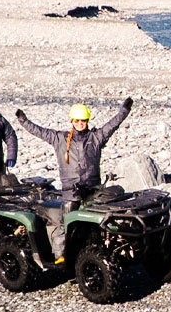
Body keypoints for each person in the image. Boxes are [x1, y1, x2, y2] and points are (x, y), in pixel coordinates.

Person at [13, 97, 133, 264]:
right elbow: (39, 131)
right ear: (72, 121)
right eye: (77, 120)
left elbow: (112, 126)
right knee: (64, 222)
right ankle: (60, 256)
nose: (80, 123)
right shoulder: (60, 139)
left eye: (83, 120)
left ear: (87, 121)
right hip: (71, 192)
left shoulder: (96, 137)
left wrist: (124, 111)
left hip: (93, 190)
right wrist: (23, 120)